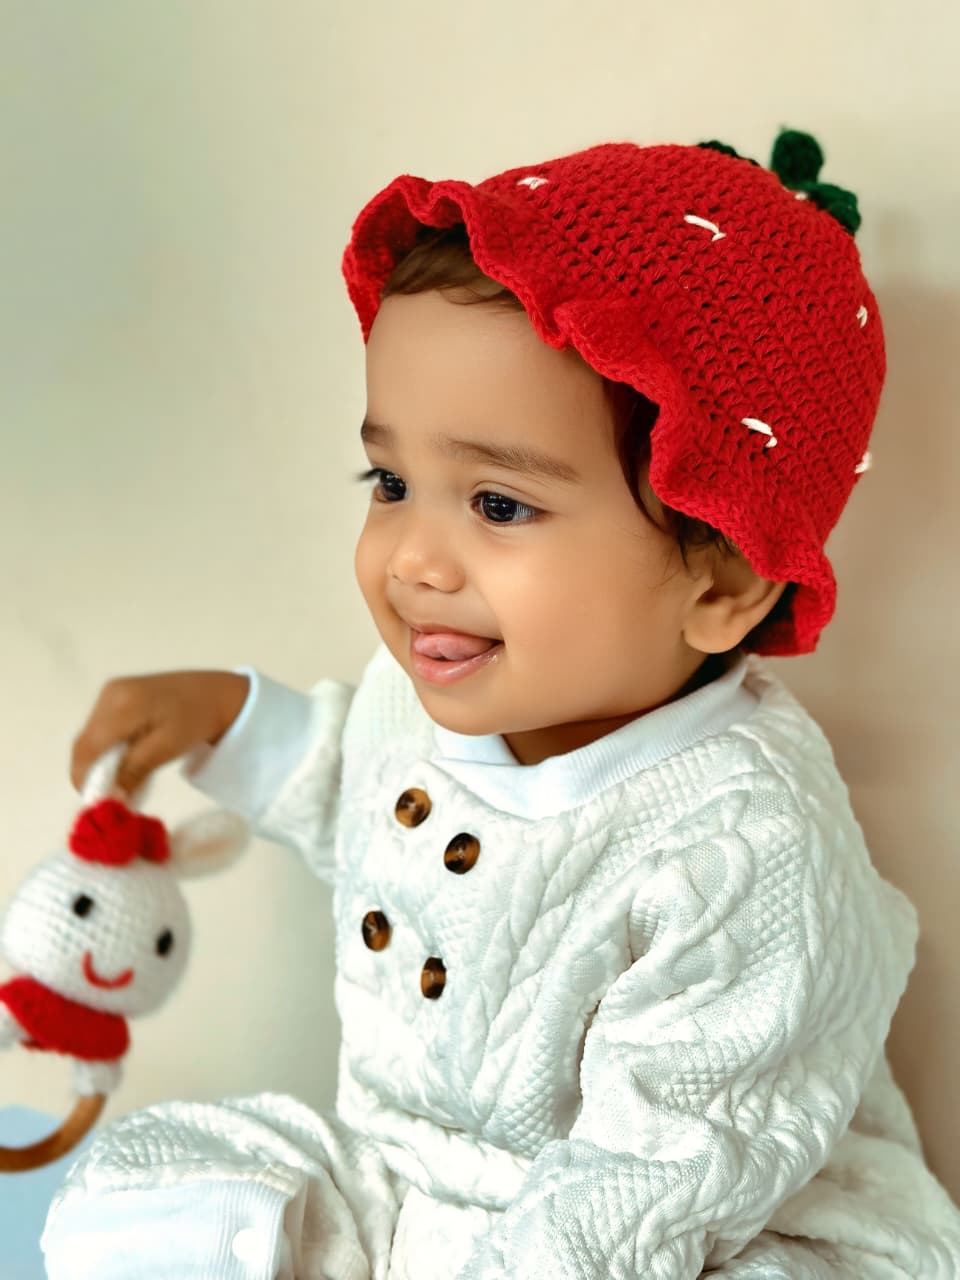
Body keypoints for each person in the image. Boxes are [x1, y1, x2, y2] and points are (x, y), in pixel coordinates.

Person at [40, 130, 960, 1278]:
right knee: (139, 1202)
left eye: (498, 503)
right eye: (391, 482)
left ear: (721, 580)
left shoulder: (749, 845)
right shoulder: (433, 688)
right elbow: (363, 788)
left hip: (685, 1224)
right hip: (418, 1178)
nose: (413, 557)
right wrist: (231, 715)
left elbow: (660, 1173)